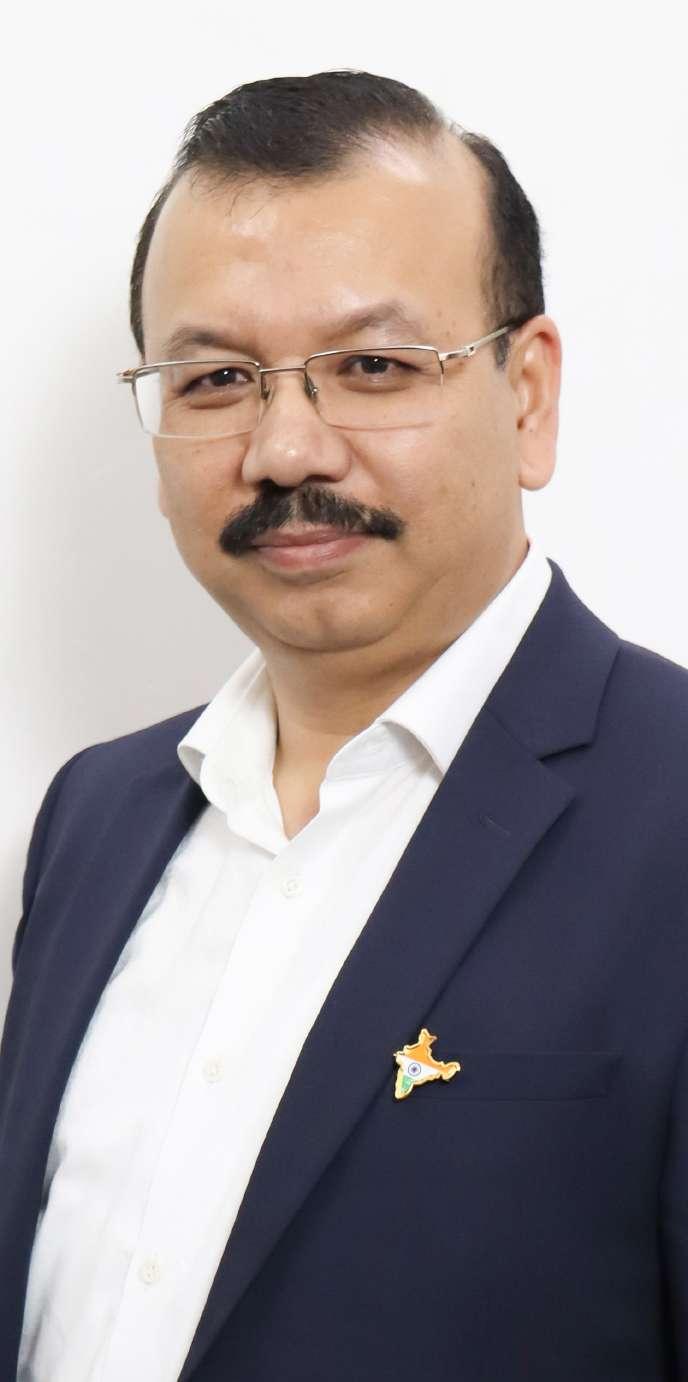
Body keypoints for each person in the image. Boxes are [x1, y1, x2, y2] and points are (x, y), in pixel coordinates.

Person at [1, 68, 686, 1382]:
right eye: (216, 379)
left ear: (529, 395)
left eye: (373, 366)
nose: (287, 450)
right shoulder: (95, 819)